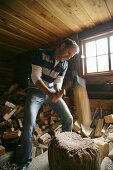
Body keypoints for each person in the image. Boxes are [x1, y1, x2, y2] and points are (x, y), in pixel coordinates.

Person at [18, 38, 79, 170]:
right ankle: (24, 163)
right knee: (28, 125)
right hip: (35, 91)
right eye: (69, 53)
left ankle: (64, 151)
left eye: (71, 56)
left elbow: (58, 82)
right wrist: (50, 94)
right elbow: (35, 77)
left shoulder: (64, 64)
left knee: (68, 119)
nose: (68, 57)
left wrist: (57, 91)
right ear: (62, 45)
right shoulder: (41, 54)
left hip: (50, 90)